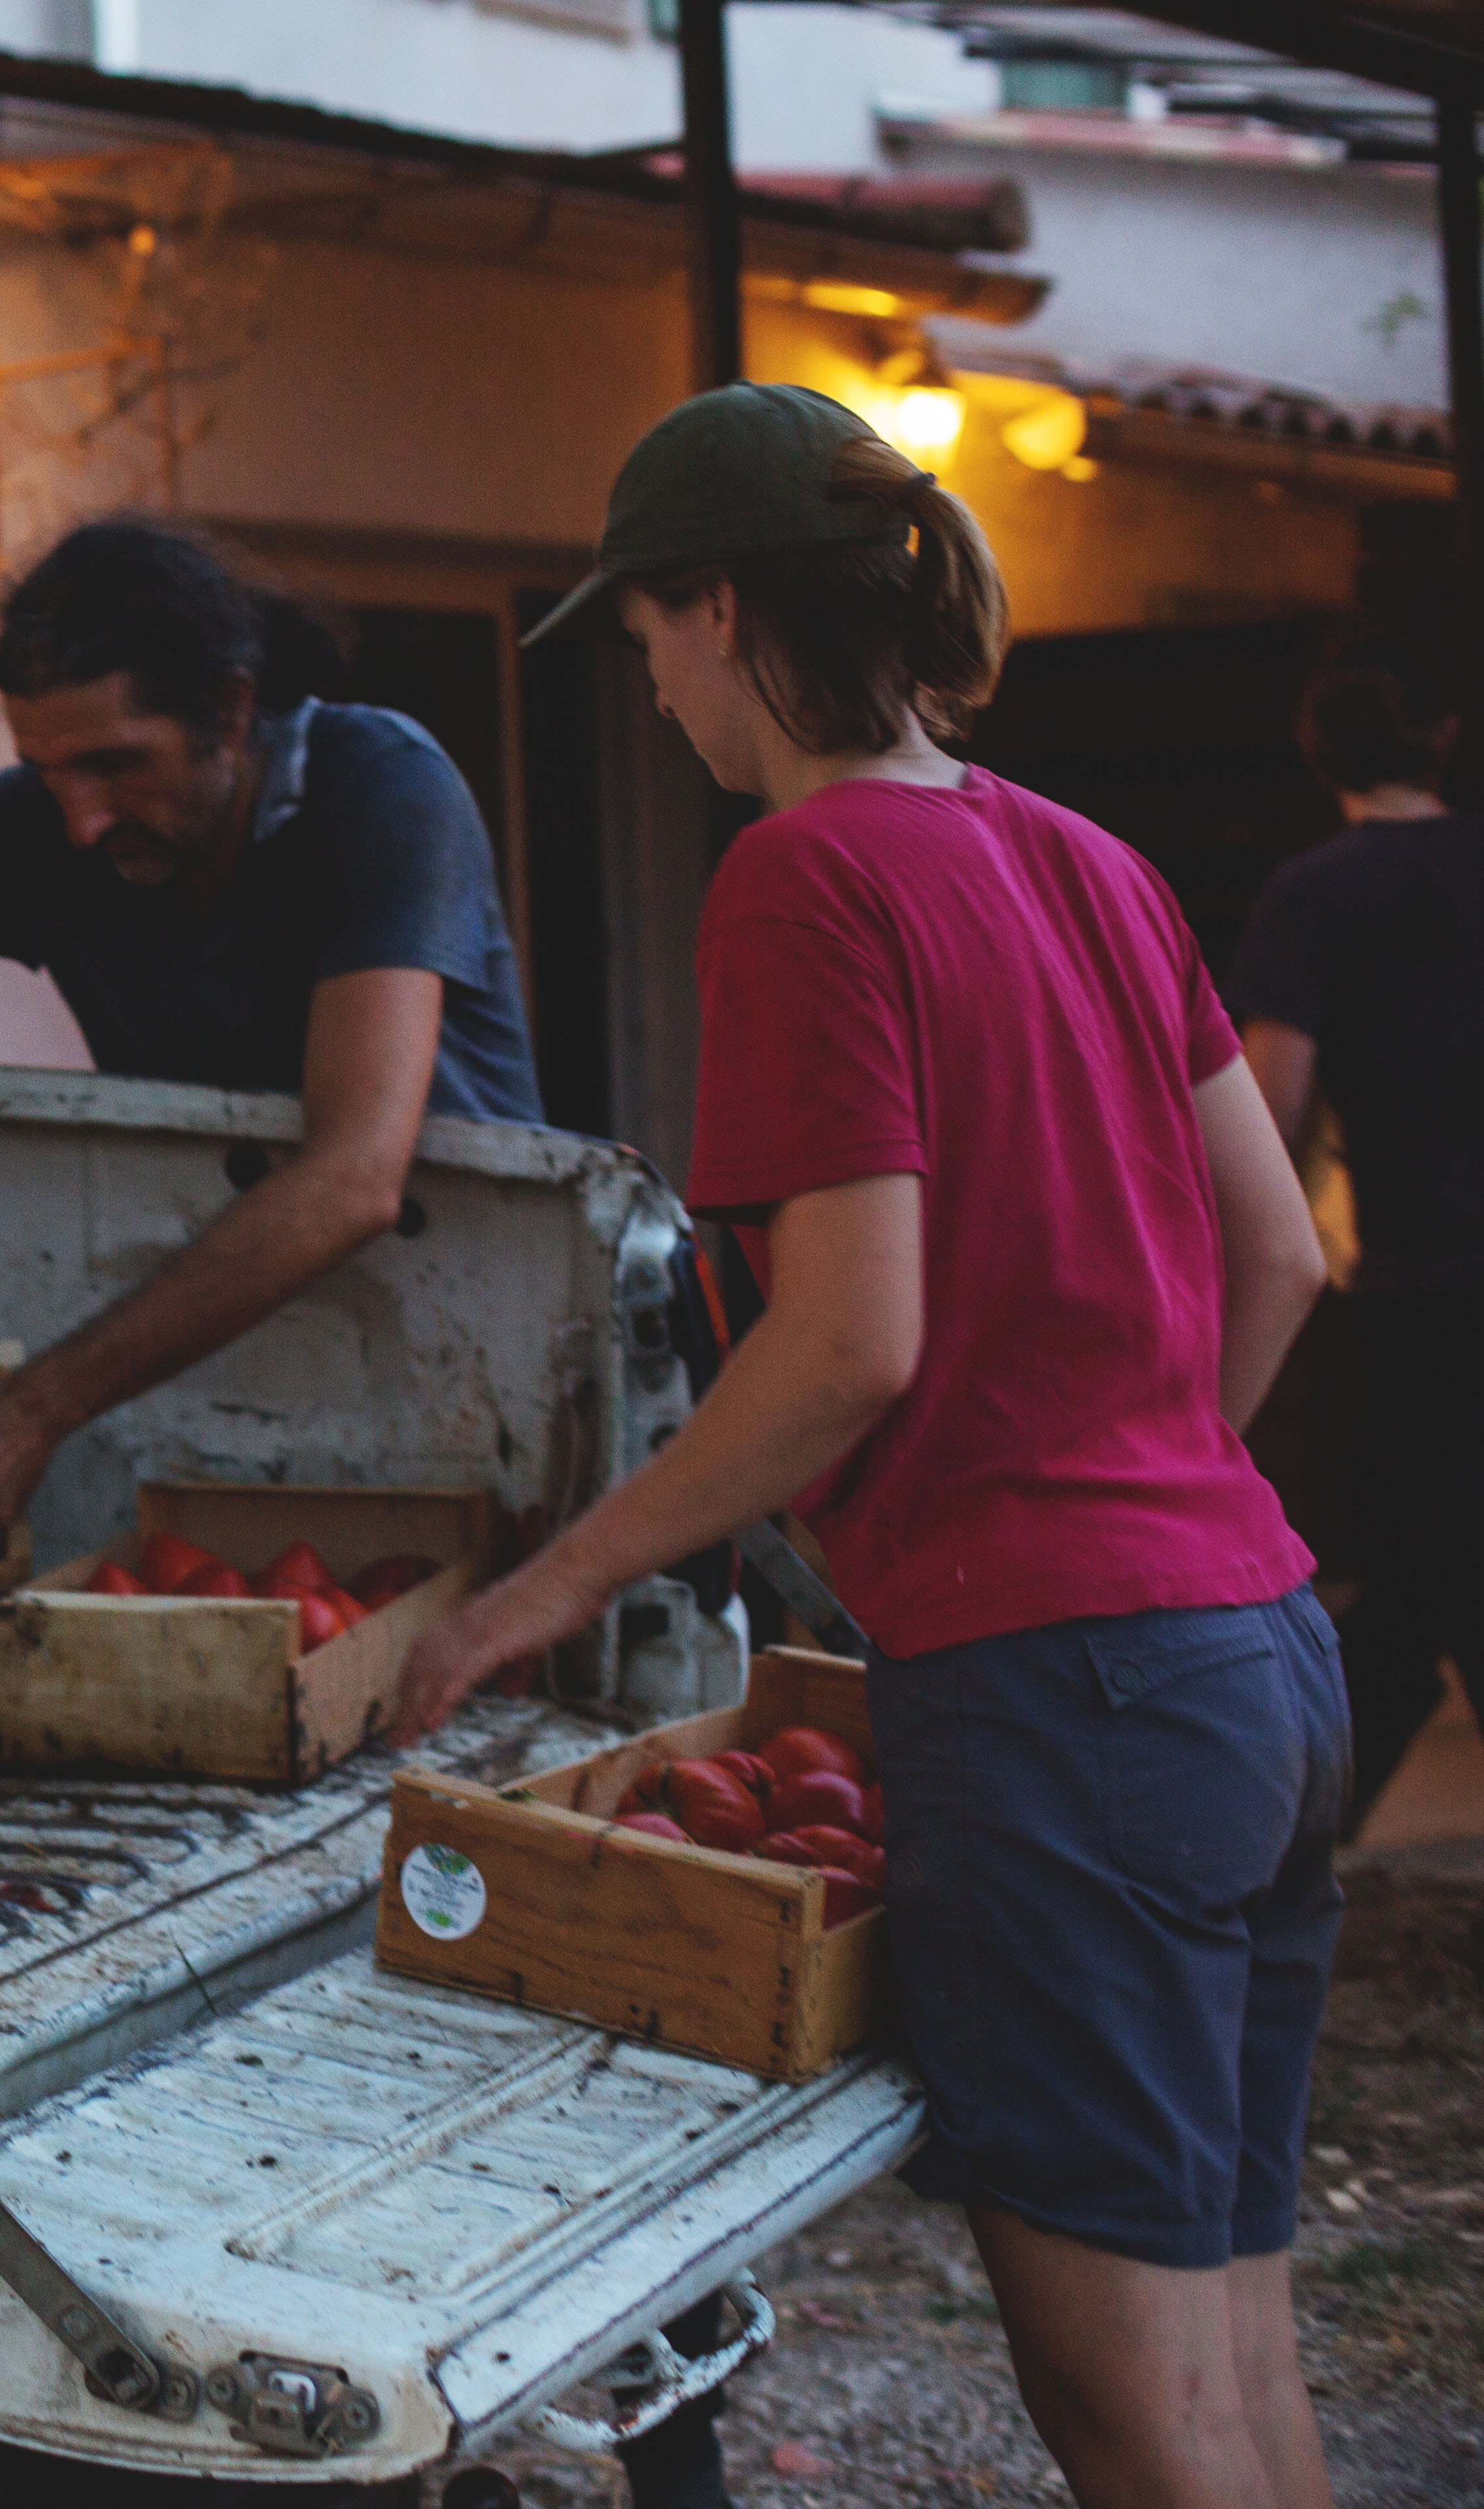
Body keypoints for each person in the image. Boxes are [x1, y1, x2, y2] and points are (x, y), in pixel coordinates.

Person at [393, 384, 1337, 2509]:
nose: (641, 687)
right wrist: (1144, 1502)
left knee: (1130, 2414)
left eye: (640, 633)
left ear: (716, 606)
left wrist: (544, 1587)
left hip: (1076, 1699)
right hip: (1258, 1653)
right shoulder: (1082, 853)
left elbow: (846, 1349)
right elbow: (1273, 1254)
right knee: (1242, 2366)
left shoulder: (804, 877)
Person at [0, 518, 541, 1587]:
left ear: (231, 709)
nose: (82, 822)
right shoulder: (46, 823)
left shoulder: (378, 788)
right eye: (46, 774)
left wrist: (28, 1413)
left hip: (471, 1353)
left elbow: (357, 1175)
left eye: (117, 766)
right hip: (216, 1376)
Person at [1227, 635, 1484, 1835]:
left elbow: (1267, 1107)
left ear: (1319, 754)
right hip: (1423, 1290)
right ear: (1438, 738)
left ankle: (1297, 1849)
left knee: (1437, 1573)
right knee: (1409, 1582)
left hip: (1422, 1292)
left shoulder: (1318, 895)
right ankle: (1304, 1850)